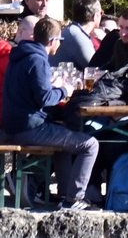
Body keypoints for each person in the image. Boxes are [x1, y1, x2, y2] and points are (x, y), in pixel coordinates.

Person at [1, 16, 98, 209]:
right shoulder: (38, 60)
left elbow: (31, 90)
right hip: (29, 127)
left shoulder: (19, 56)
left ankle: (65, 195)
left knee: (64, 144)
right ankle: (75, 199)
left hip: (11, 124)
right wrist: (64, 91)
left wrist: (51, 85)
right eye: (59, 41)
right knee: (90, 144)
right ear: (53, 41)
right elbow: (44, 99)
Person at [54, 0, 100, 70]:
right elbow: (95, 70)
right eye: (101, 13)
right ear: (95, 16)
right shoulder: (78, 36)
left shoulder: (71, 30)